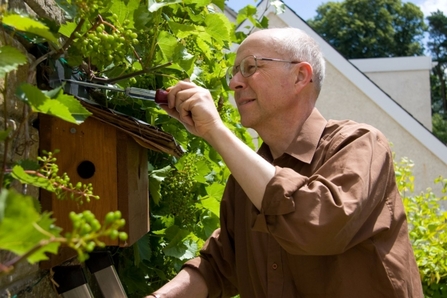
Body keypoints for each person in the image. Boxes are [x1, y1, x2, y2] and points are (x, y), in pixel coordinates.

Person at [146, 27, 423, 298]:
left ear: (300, 76)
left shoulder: (360, 143)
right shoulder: (246, 180)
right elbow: (216, 266)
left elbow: (319, 225)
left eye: (251, 67)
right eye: (234, 73)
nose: (234, 83)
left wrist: (216, 131)